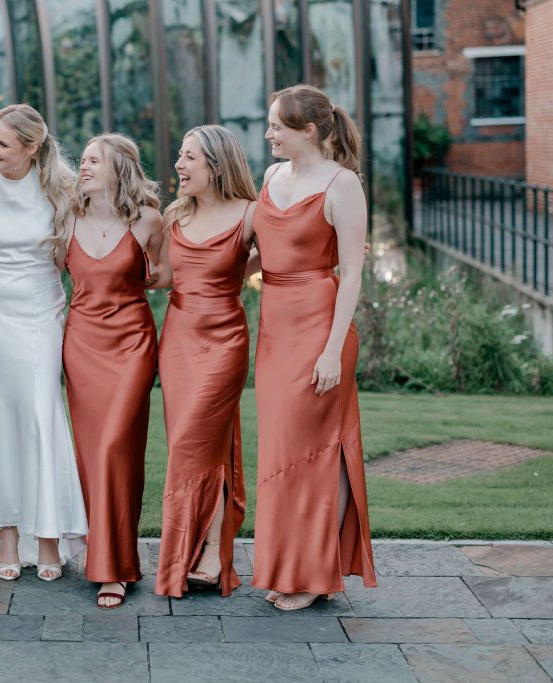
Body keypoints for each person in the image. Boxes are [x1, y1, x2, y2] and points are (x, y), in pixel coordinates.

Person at [251, 84, 377, 611]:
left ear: (307, 131)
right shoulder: (270, 177)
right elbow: (262, 253)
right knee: (281, 450)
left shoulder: (342, 184)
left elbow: (352, 275)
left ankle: (314, 573)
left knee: (318, 450)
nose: (268, 134)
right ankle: (288, 565)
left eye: (277, 126)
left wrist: (331, 350)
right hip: (274, 328)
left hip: (321, 327)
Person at [0, 103, 88, 581]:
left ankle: (49, 536)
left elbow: (73, 253)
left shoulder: (62, 185)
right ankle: (5, 536)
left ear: (31, 148)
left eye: (2, 143)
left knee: (40, 412)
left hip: (39, 311)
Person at [148, 125, 257, 599]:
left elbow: (280, 259)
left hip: (224, 341)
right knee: (193, 445)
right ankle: (200, 550)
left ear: (216, 164)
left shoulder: (251, 214)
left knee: (195, 441)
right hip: (178, 339)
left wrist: (331, 249)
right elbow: (164, 277)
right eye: (179, 154)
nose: (178, 164)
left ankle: (210, 550)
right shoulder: (175, 214)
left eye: (188, 156)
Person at [63, 134, 161, 608]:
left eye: (93, 161)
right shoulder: (66, 218)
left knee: (116, 449)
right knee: (91, 455)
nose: (82, 167)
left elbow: (167, 274)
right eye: (82, 160)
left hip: (132, 345)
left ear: (118, 168)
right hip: (82, 346)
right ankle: (109, 557)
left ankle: (114, 563)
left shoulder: (148, 221)